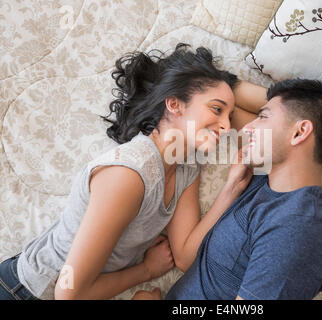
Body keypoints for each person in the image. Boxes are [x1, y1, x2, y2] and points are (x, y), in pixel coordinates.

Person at [0, 43, 253, 300]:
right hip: (26, 291)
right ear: (174, 104)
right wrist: (145, 270)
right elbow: (69, 294)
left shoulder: (185, 168)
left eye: (230, 117)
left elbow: (185, 256)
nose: (226, 125)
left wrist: (231, 188)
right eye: (217, 109)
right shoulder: (129, 175)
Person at [133, 78, 322, 300]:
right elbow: (219, 87)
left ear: (300, 133)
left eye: (262, 116)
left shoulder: (299, 229)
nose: (247, 127)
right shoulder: (263, 182)